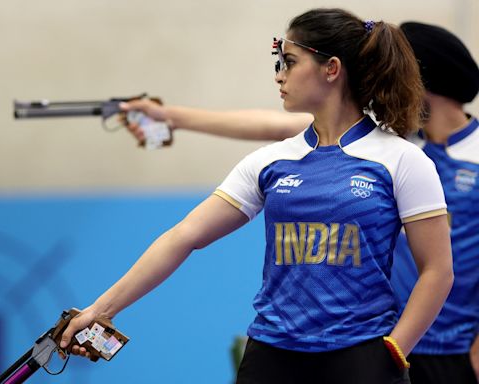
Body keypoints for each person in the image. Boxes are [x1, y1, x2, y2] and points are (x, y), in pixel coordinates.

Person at [61, 9, 453, 383]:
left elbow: (437, 271)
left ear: (331, 69)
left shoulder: (403, 160)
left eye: (288, 61)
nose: (279, 75)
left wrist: (395, 351)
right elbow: (183, 237)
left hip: (362, 358)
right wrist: (101, 309)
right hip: (271, 357)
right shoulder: (271, 160)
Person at [389, 22, 479, 384]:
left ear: (421, 81)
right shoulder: (397, 149)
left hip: (458, 353)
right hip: (394, 345)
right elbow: (283, 128)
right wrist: (192, 118)